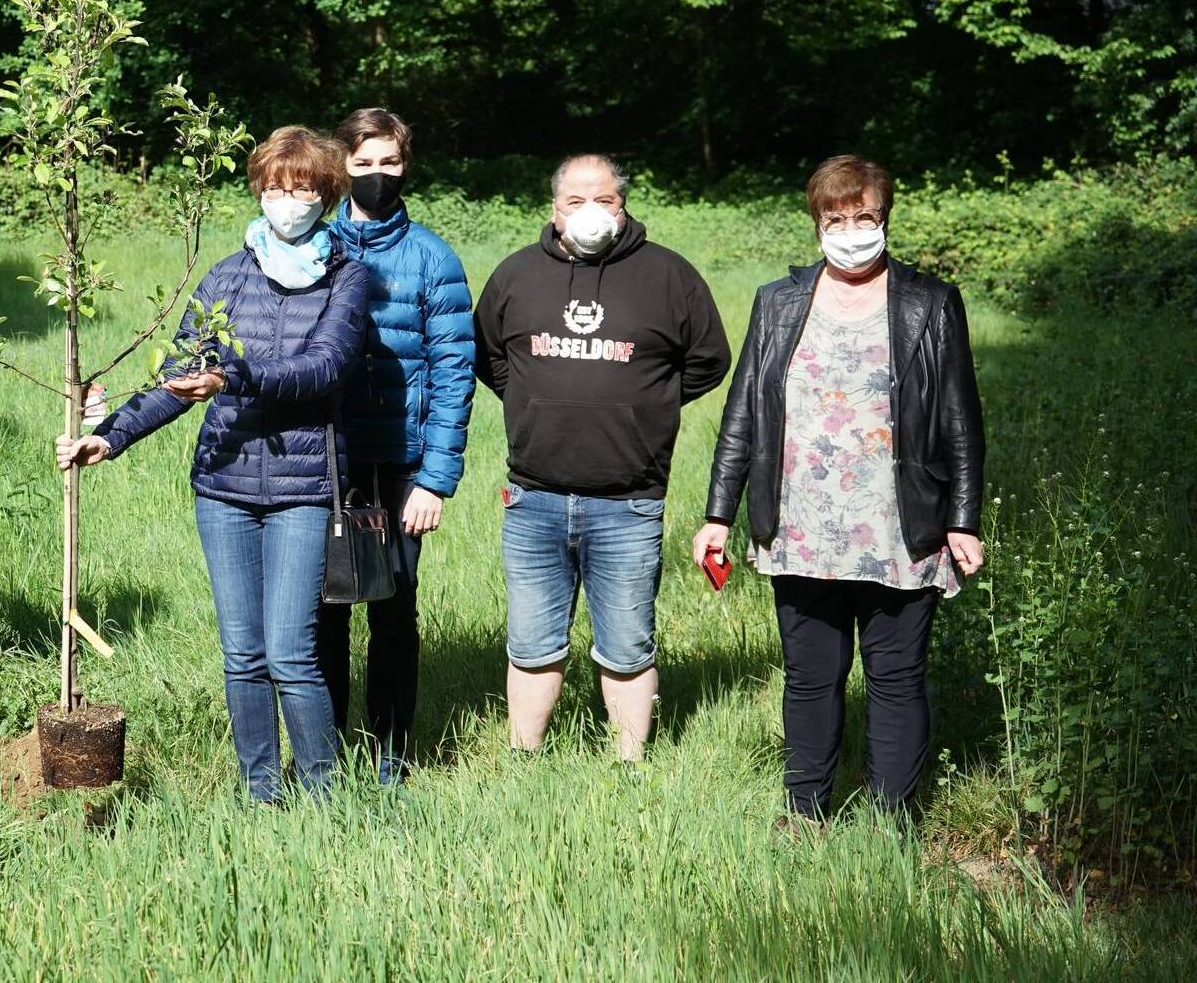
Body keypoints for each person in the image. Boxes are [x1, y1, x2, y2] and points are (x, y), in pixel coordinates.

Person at [57, 127, 370, 802]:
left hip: (303, 487)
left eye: (304, 187)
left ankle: (324, 794)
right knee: (243, 655)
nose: (288, 200)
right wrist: (109, 438)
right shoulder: (227, 275)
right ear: (258, 189)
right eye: (276, 187)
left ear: (327, 193)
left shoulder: (349, 275)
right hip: (224, 486)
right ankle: (261, 792)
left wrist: (233, 376)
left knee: (290, 653)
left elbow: (324, 367)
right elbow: (175, 378)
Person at [695, 155, 985, 823]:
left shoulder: (930, 302)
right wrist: (718, 514)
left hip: (900, 530)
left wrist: (962, 519)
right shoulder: (778, 301)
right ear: (816, 223)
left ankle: (890, 822)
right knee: (811, 677)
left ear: (885, 219)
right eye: (837, 217)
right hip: (800, 527)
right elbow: (743, 411)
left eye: (866, 217)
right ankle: (806, 813)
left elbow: (961, 422)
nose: (853, 230)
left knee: (895, 678)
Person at [473, 153, 729, 760]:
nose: (591, 213)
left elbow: (707, 361)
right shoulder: (515, 276)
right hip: (532, 497)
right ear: (554, 209)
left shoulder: (669, 276)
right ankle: (522, 762)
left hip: (629, 502)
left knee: (627, 645)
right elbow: (489, 358)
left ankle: (628, 769)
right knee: (532, 644)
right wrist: (543, 399)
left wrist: (644, 403)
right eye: (576, 202)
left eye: (604, 200)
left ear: (624, 204)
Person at [317, 108, 475, 785]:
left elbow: (453, 371)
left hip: (400, 462)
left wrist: (435, 479)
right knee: (321, 609)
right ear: (342, 166)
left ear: (405, 164)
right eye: (364, 163)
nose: (377, 175)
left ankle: (391, 755)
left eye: (389, 162)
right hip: (323, 459)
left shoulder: (432, 257)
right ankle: (322, 752)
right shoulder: (315, 248)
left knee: (394, 608)